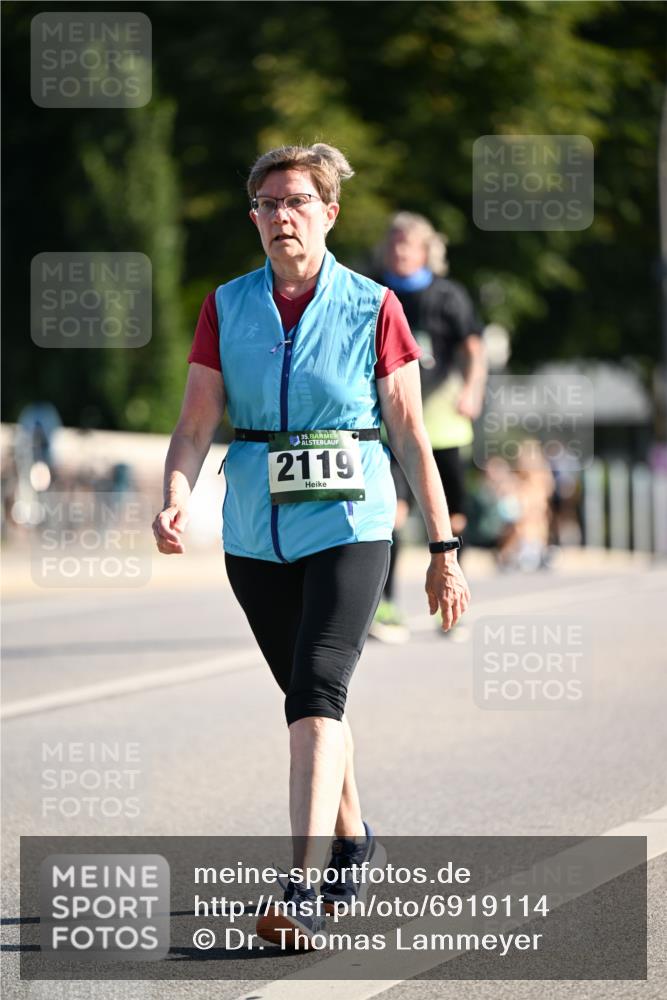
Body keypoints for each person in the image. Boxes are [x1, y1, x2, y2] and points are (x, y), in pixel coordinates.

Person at [152, 144, 470, 950]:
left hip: (351, 523)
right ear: (252, 216)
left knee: (319, 692)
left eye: (296, 201)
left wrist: (441, 547)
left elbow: (408, 432)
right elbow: (195, 425)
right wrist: (174, 498)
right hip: (256, 532)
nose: (280, 216)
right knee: (306, 699)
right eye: (266, 203)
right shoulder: (227, 305)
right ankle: (355, 839)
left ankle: (298, 887)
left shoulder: (372, 307)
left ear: (329, 213)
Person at [368, 213, 487, 642]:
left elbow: (475, 349)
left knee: (452, 519)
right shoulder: (374, 291)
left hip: (445, 424)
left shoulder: (449, 296)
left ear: (426, 250)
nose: (399, 249)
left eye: (409, 243)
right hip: (394, 425)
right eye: (394, 241)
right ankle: (385, 606)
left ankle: (451, 600)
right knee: (391, 515)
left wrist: (472, 390)